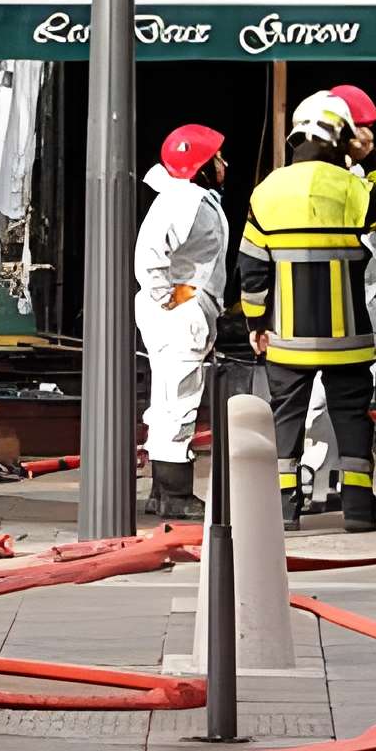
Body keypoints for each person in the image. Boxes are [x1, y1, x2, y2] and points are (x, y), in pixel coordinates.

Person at [235, 90, 376, 532]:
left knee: (285, 418)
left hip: (286, 337)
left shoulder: (266, 192)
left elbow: (252, 269)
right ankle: (359, 509)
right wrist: (374, 155)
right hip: (348, 336)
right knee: (351, 419)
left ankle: (284, 509)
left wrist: (256, 322)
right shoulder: (356, 189)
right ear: (340, 140)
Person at [299, 83, 376, 509]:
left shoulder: (295, 178)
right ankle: (328, 483)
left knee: (320, 399)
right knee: (335, 399)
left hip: (312, 304)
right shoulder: (352, 182)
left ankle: (315, 483)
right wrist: (373, 162)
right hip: (351, 305)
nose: (368, 136)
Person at [133, 122, 229, 521]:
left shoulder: (185, 197)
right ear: (201, 165)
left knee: (169, 399)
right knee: (180, 400)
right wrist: (167, 297)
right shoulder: (184, 202)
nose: (224, 163)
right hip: (181, 312)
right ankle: (174, 494)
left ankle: (163, 492)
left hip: (180, 307)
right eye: (217, 157)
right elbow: (151, 254)